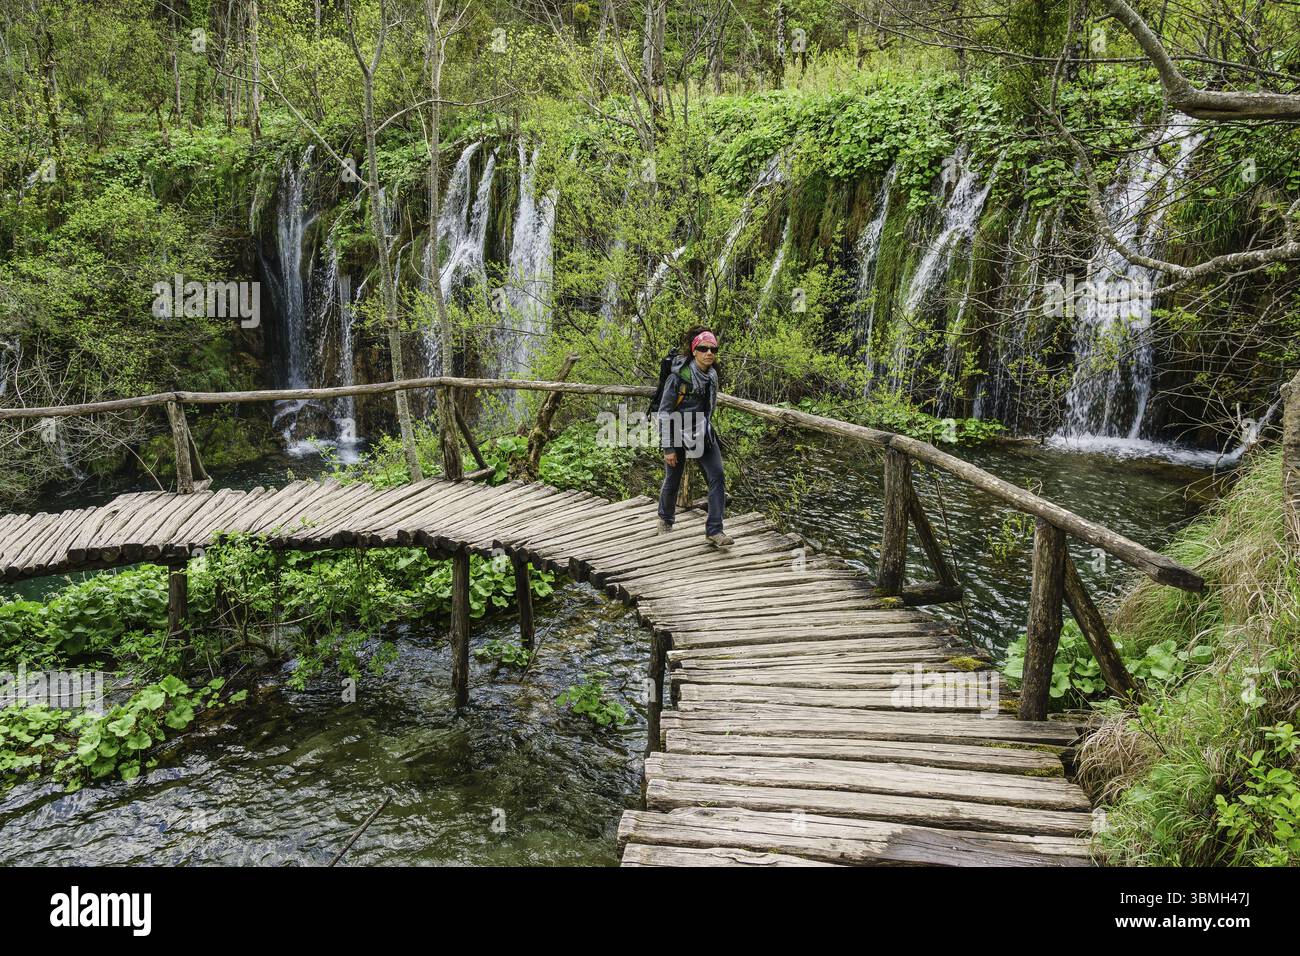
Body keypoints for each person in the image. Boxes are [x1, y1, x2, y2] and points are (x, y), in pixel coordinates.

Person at [655, 326, 732, 548]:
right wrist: (668, 447)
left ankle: (715, 530)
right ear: (694, 350)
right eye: (703, 348)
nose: (709, 353)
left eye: (713, 349)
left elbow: (710, 406)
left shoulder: (712, 376)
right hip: (677, 431)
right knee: (673, 478)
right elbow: (664, 412)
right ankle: (665, 520)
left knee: (717, 475)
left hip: (701, 432)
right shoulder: (678, 378)